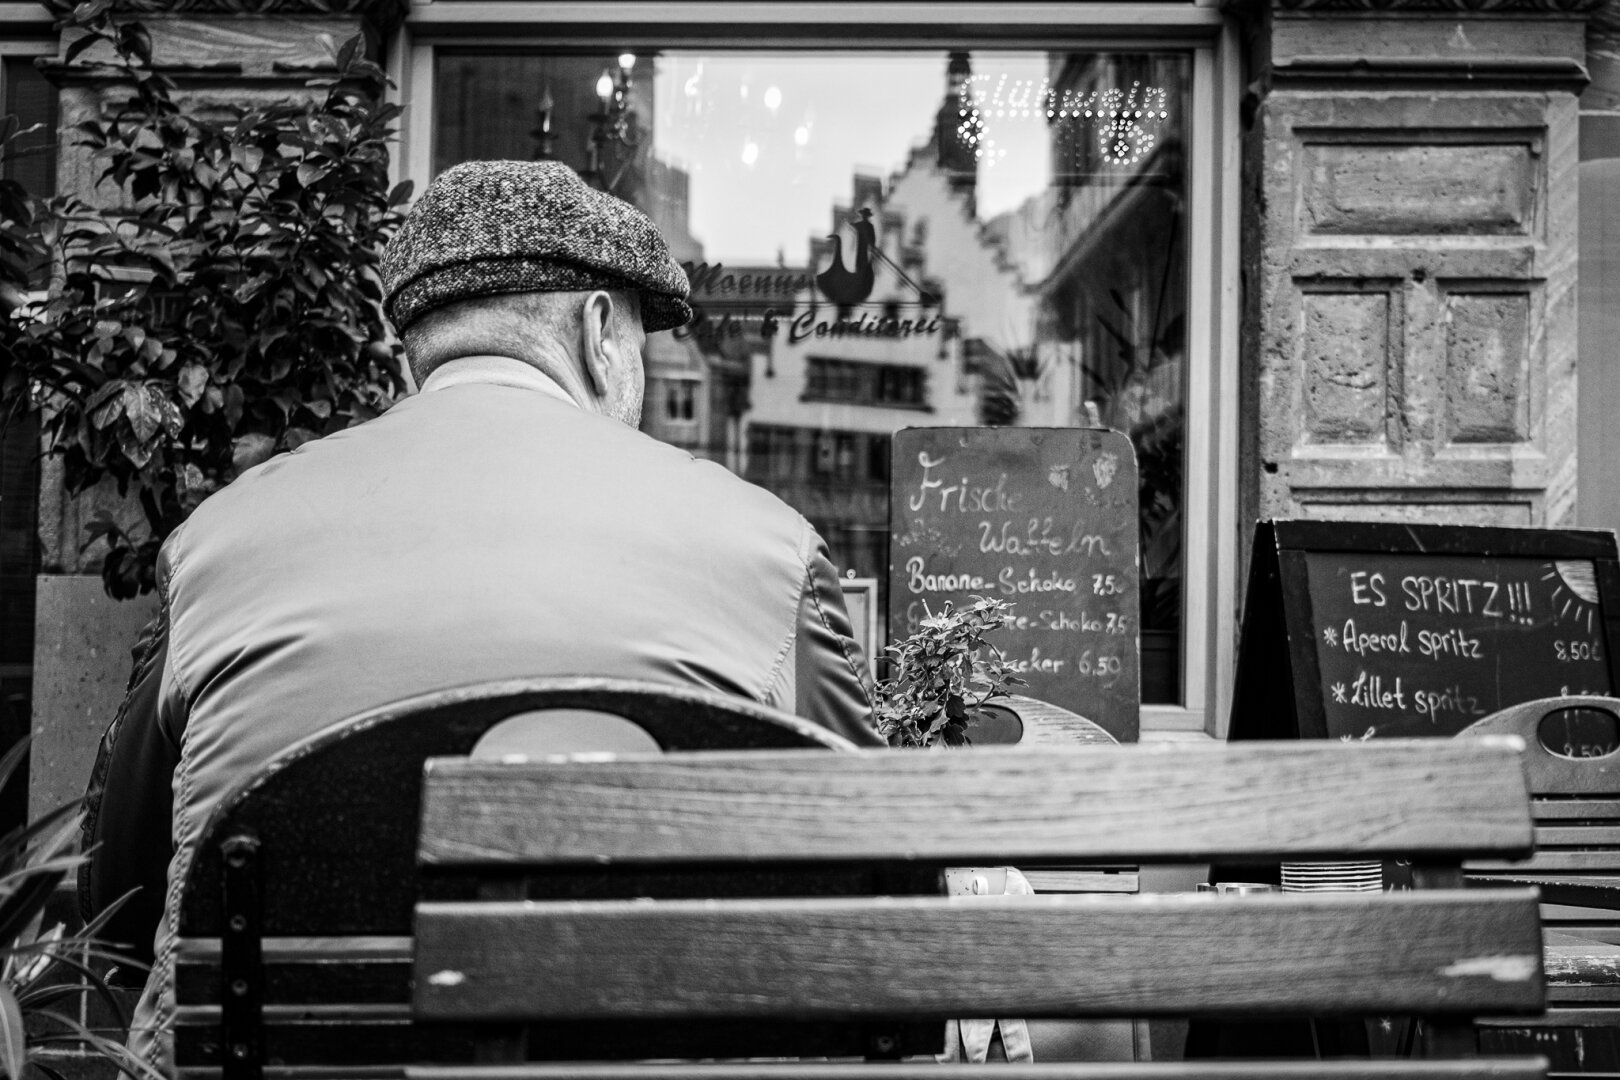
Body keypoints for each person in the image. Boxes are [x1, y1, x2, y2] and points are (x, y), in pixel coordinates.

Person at [79, 159, 881, 1068]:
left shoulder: (216, 542)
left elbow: (123, 898)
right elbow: (882, 882)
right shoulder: (763, 546)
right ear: (598, 330)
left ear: (414, 348)